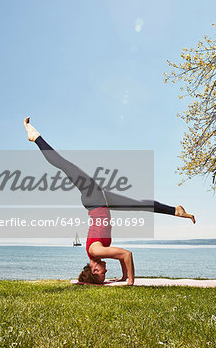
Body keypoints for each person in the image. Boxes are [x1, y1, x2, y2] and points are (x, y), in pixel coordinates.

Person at [24, 117, 195, 285]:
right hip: (101, 202)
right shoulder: (98, 254)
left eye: (102, 274)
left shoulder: (96, 251)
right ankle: (175, 210)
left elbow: (126, 255)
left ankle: (36, 137)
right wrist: (123, 276)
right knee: (139, 204)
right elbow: (121, 258)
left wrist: (130, 281)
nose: (106, 271)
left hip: (94, 199)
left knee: (65, 165)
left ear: (94, 270)